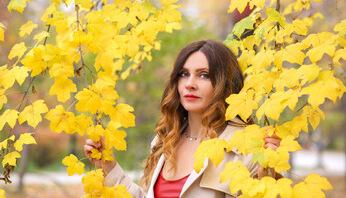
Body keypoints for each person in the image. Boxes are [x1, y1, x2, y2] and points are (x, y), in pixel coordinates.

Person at [84, 40, 281, 198]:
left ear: (225, 82)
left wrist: (268, 181)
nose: (190, 84)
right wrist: (110, 168)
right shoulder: (166, 139)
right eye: (184, 74)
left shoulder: (247, 146)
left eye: (204, 75)